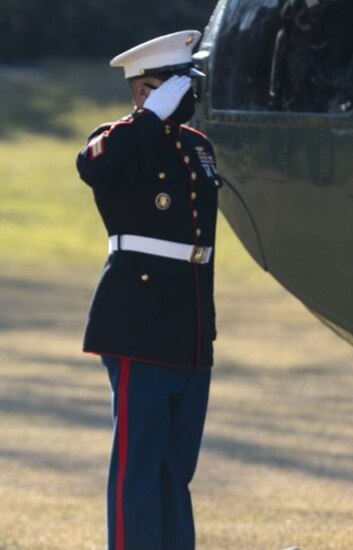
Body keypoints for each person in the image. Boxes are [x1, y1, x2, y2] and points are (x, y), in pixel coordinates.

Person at [75, 30, 221, 550]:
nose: (189, 95)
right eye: (175, 86)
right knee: (138, 466)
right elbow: (92, 165)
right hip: (137, 321)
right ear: (144, 92)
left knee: (175, 468)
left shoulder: (196, 146)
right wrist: (151, 115)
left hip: (190, 320)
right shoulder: (118, 140)